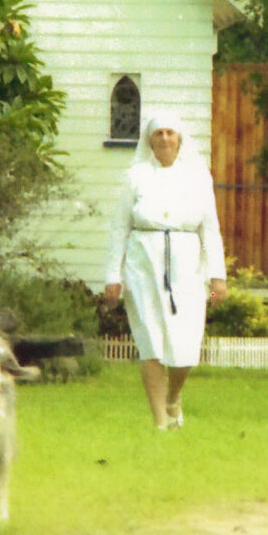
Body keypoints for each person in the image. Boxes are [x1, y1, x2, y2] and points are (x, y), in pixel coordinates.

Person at [104, 111, 228, 429]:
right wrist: (112, 277)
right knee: (150, 342)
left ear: (180, 138)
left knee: (184, 347)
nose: (164, 139)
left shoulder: (198, 178)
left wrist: (218, 278)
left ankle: (173, 397)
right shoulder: (135, 177)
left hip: (187, 267)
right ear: (149, 140)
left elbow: (210, 230)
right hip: (143, 264)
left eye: (170, 133)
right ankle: (161, 422)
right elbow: (119, 228)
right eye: (158, 133)